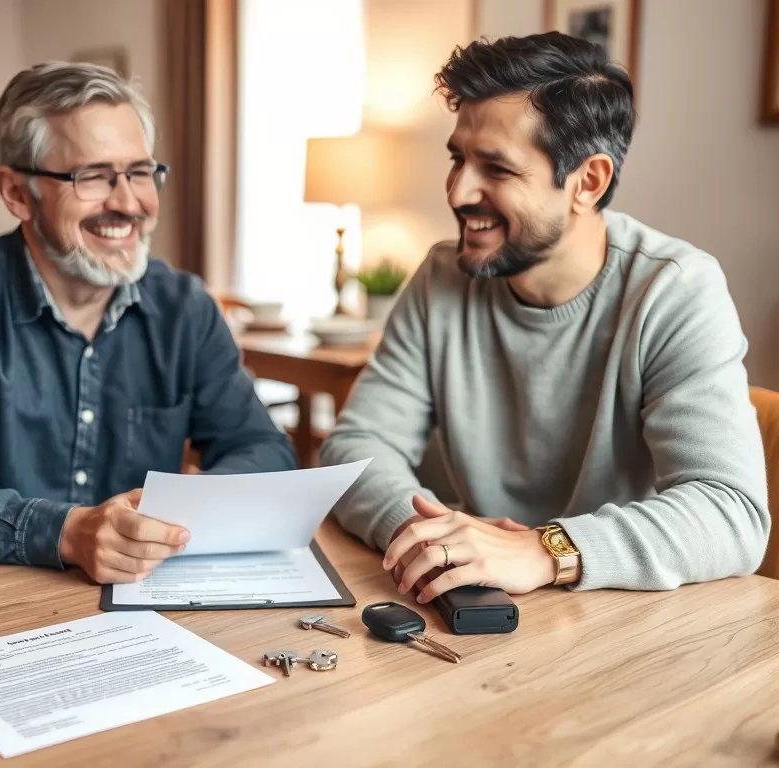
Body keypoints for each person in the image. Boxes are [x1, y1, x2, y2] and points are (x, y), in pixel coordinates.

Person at [320, 32, 769, 600]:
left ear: (588, 182)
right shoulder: (441, 277)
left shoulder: (673, 290)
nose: (458, 192)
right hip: (473, 609)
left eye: (497, 170)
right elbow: (356, 446)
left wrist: (544, 550)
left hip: (619, 624)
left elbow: (731, 512)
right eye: (458, 158)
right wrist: (432, 540)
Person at [0, 62, 297, 584]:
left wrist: (196, 501)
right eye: (92, 176)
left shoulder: (185, 307)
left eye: (140, 172)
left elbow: (264, 450)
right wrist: (67, 531)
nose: (127, 202)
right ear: (17, 194)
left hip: (147, 608)